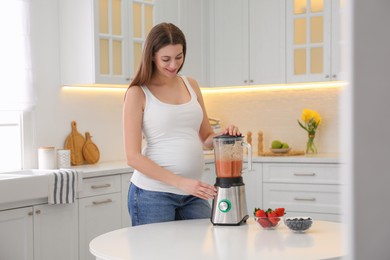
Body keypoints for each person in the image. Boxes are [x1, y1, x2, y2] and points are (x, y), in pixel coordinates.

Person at [123, 22, 241, 226]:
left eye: (179, 57)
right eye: (165, 59)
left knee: (203, 249)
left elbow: (205, 138)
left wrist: (224, 137)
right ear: (151, 56)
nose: (173, 65)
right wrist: (181, 183)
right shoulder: (138, 93)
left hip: (193, 194)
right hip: (153, 194)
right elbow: (133, 157)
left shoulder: (191, 84)